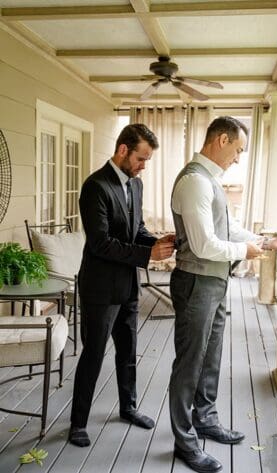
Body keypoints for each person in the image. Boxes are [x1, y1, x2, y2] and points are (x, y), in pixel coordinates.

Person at [167, 116, 277, 473]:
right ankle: (185, 442)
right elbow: (204, 244)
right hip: (196, 282)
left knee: (210, 358)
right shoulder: (195, 181)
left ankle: (206, 419)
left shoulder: (210, 180)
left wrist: (264, 242)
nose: (238, 158)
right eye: (238, 150)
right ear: (222, 140)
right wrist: (246, 253)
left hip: (214, 282)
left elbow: (228, 228)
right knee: (189, 363)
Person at [70, 124, 175, 447]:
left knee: (128, 352)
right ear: (123, 151)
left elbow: (136, 229)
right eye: (141, 158)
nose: (144, 165)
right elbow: (101, 243)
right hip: (100, 289)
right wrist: (147, 254)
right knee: (94, 354)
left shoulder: (136, 185)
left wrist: (157, 242)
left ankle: (128, 408)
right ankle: (78, 423)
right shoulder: (94, 187)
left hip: (129, 284)